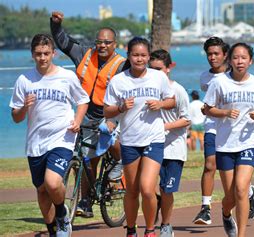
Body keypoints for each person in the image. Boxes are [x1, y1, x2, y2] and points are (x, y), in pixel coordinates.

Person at [10, 34, 90, 237]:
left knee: (52, 182)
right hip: (36, 142)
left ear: (53, 53)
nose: (42, 58)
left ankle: (62, 214)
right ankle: (53, 229)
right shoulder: (24, 80)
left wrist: (78, 121)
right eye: (38, 54)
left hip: (62, 137)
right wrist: (24, 107)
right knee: (42, 190)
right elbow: (16, 117)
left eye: (46, 53)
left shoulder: (66, 76)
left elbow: (82, 100)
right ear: (32, 55)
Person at [50, 11, 126, 218]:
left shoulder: (122, 64)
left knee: (108, 132)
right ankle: (86, 200)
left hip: (111, 112)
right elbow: (63, 41)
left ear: (115, 44)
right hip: (86, 112)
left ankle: (119, 161)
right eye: (99, 42)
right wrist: (55, 25)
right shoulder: (83, 53)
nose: (102, 45)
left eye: (107, 42)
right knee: (84, 159)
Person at [103, 37, 175, 237]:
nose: (139, 59)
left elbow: (171, 100)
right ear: (129, 55)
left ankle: (150, 230)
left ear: (149, 57)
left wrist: (160, 104)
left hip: (154, 139)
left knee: (147, 188)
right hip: (130, 141)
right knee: (132, 191)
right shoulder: (118, 81)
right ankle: (131, 230)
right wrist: (120, 107)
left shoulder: (158, 77)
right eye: (135, 55)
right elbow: (107, 111)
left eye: (143, 55)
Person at [204, 42, 254, 237]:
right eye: (235, 57)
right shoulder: (219, 82)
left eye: (243, 58)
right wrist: (224, 112)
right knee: (231, 196)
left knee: (241, 189)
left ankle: (241, 235)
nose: (239, 61)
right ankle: (225, 213)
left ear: (250, 61)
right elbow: (208, 109)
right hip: (225, 144)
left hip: (248, 142)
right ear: (229, 60)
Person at [193, 37, 254, 225]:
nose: (212, 58)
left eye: (216, 54)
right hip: (213, 125)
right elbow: (209, 105)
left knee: (237, 182)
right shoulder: (205, 77)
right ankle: (205, 208)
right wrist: (208, 110)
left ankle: (248, 191)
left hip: (234, 130)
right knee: (209, 164)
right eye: (209, 54)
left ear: (226, 56)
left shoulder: (235, 74)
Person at [149, 49, 190, 237]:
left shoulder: (178, 90)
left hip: (173, 149)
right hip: (150, 147)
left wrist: (164, 126)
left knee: (167, 190)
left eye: (159, 69)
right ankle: (155, 203)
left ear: (168, 68)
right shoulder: (147, 90)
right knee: (146, 187)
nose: (155, 73)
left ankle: (166, 225)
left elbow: (186, 119)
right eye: (152, 68)